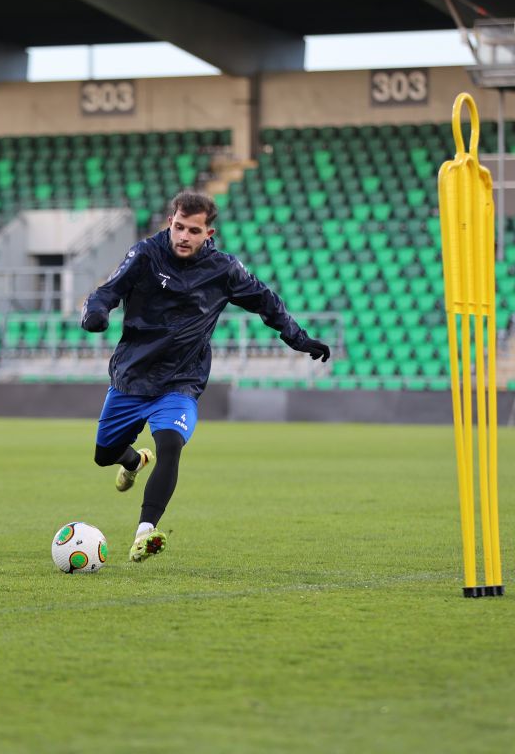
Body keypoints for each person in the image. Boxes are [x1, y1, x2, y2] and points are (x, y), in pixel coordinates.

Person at [81, 191, 331, 562]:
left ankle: (144, 532)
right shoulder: (146, 254)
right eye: (179, 227)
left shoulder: (223, 269)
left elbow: (266, 301)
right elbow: (107, 291)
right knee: (104, 455)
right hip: (131, 377)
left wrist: (298, 338)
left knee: (170, 445)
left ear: (208, 233)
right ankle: (133, 462)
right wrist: (97, 312)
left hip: (181, 381)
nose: (184, 236)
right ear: (170, 222)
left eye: (194, 230)